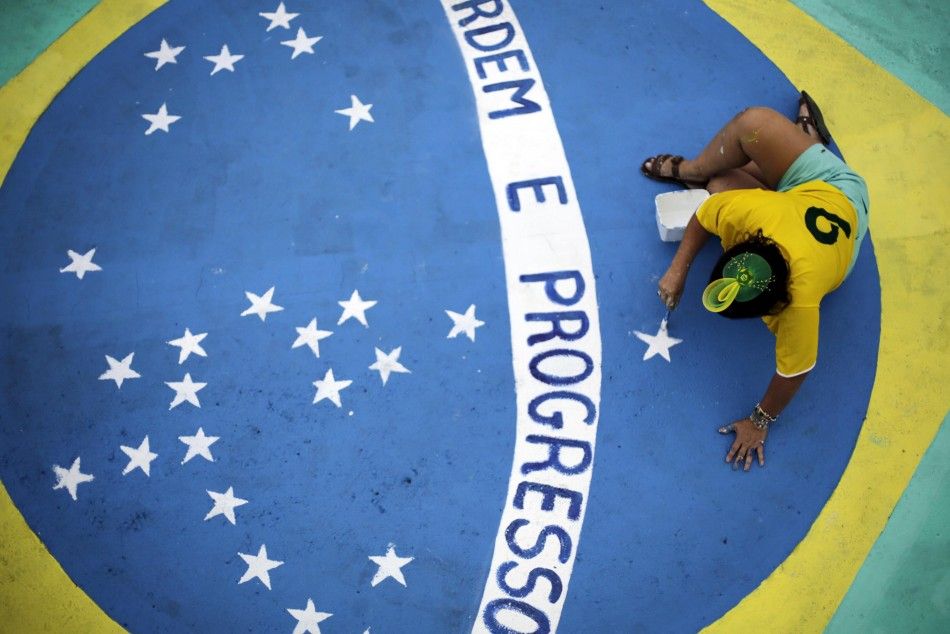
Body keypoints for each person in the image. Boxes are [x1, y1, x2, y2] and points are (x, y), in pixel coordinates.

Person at [640, 92, 869, 472]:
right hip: (815, 191)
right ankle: (789, 148)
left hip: (836, 201)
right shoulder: (755, 213)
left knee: (722, 182)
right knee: (749, 130)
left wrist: (760, 420)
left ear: (776, 306)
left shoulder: (800, 305)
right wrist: (679, 268)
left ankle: (804, 144)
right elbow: (705, 216)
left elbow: (794, 370)